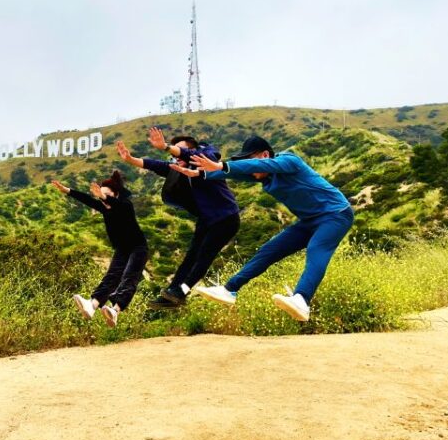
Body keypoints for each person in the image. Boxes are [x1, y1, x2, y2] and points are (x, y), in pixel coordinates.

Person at [171, 135, 353, 321]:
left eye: (250, 159)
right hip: (309, 221)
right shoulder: (265, 178)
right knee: (269, 250)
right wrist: (202, 174)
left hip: (336, 214)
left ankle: (302, 300)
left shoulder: (289, 161)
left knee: (316, 250)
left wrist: (221, 165)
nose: (250, 167)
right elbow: (238, 172)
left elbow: (255, 167)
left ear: (265, 154)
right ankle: (230, 290)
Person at [116, 127, 240, 308]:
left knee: (204, 255)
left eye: (179, 152)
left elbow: (200, 156)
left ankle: (181, 292)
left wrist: (166, 146)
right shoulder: (178, 168)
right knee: (191, 256)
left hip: (226, 217)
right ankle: (172, 295)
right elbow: (154, 164)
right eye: (174, 155)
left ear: (192, 150)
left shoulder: (206, 154)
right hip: (206, 220)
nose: (176, 157)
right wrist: (130, 159)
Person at [51, 171, 148, 327]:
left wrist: (103, 197)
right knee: (111, 277)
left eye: (106, 195)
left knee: (129, 278)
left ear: (115, 195)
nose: (101, 198)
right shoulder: (105, 208)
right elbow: (87, 200)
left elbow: (118, 205)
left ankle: (115, 310)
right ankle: (92, 306)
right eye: (100, 195)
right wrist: (67, 190)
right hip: (121, 249)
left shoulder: (125, 205)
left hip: (138, 248)